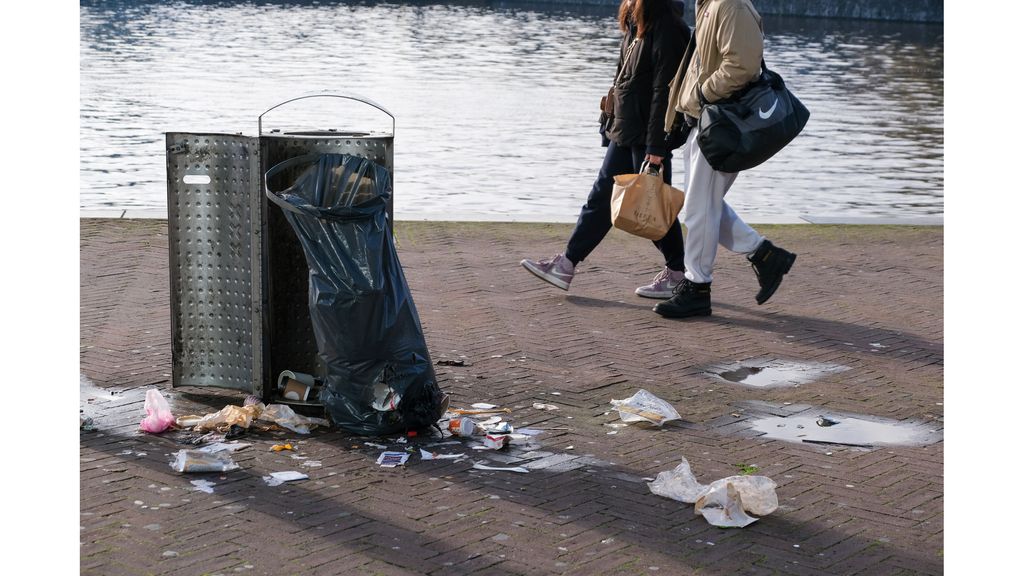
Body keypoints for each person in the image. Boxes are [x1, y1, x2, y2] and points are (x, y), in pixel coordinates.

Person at [521, 0, 691, 299]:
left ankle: (679, 274)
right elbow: (623, 79)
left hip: (647, 137)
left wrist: (656, 146)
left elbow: (663, 92)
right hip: (626, 130)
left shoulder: (668, 26)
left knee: (652, 207)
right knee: (600, 199)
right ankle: (567, 264)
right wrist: (608, 124)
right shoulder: (634, 19)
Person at [654, 0, 796, 318]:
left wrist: (702, 95)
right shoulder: (709, 5)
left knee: (698, 209)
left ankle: (697, 287)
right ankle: (765, 255)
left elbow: (742, 66)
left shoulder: (731, 5)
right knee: (702, 206)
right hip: (704, 122)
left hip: (723, 124)